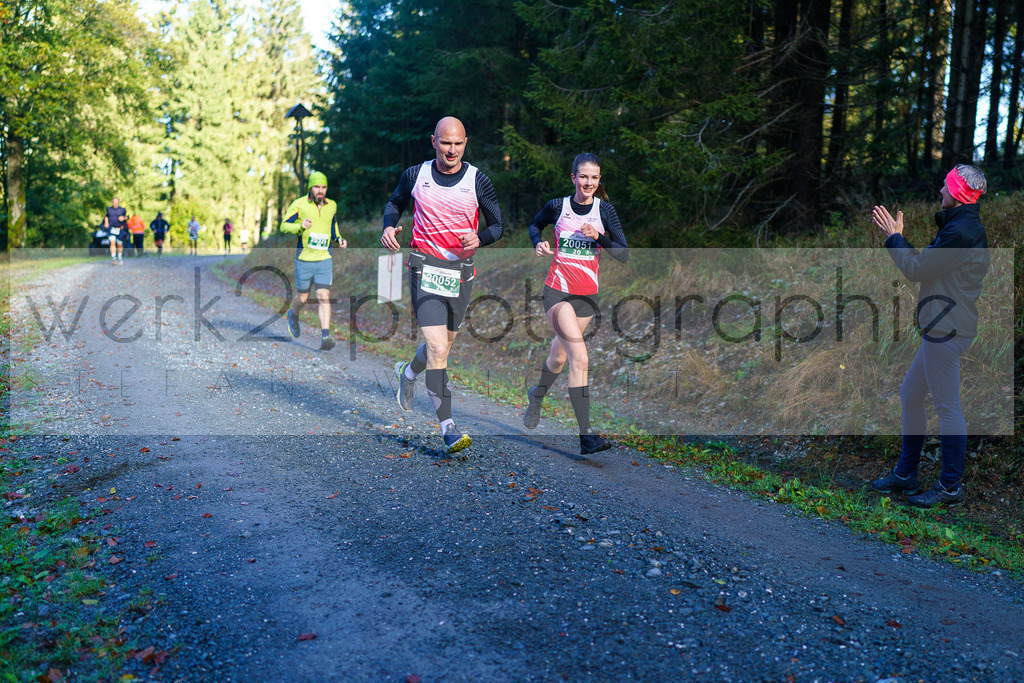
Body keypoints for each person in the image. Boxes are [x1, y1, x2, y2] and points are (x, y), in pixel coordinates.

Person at [382, 116, 504, 454]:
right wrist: (389, 227)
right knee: (437, 349)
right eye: (446, 143)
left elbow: (498, 226)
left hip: (460, 274)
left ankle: (408, 373)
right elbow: (394, 204)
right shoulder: (416, 174)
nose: (452, 150)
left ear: (465, 143)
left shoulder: (478, 180)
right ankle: (448, 427)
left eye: (458, 144)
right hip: (424, 268)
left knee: (442, 348)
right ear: (433, 141)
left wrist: (479, 238)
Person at [870, 164, 990, 507]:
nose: (940, 190)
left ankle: (950, 487)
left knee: (947, 409)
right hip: (942, 326)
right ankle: (906, 474)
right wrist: (899, 240)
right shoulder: (960, 226)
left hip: (947, 330)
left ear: (958, 193)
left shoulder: (961, 232)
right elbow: (925, 267)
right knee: (910, 395)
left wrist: (894, 237)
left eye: (945, 186)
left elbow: (916, 269)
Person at [521, 153, 629, 455]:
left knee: (558, 357)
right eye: (583, 176)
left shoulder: (604, 211)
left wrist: (599, 237)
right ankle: (586, 436)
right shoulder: (558, 206)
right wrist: (538, 242)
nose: (588, 183)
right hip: (557, 292)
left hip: (587, 298)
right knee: (579, 358)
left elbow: (623, 253)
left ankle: (537, 394)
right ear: (573, 178)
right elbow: (535, 225)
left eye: (594, 178)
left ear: (599, 180)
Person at [281, 171, 346, 351]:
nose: (320, 190)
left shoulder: (332, 205)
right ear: (310, 187)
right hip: (304, 259)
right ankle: (294, 314)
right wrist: (299, 226)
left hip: (324, 258)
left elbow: (333, 226)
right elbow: (283, 226)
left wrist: (339, 239)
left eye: (323, 187)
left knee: (323, 295)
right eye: (317, 187)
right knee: (302, 298)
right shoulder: (299, 204)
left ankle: (325, 336)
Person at [103, 197, 128, 265]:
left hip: (120, 229)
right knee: (112, 242)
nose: (115, 204)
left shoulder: (122, 210)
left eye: (116, 203)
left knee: (119, 244)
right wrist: (106, 222)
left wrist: (123, 218)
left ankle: (119, 257)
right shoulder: (109, 209)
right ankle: (113, 258)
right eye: (114, 202)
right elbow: (106, 216)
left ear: (118, 203)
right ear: (112, 202)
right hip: (111, 228)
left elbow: (127, 217)